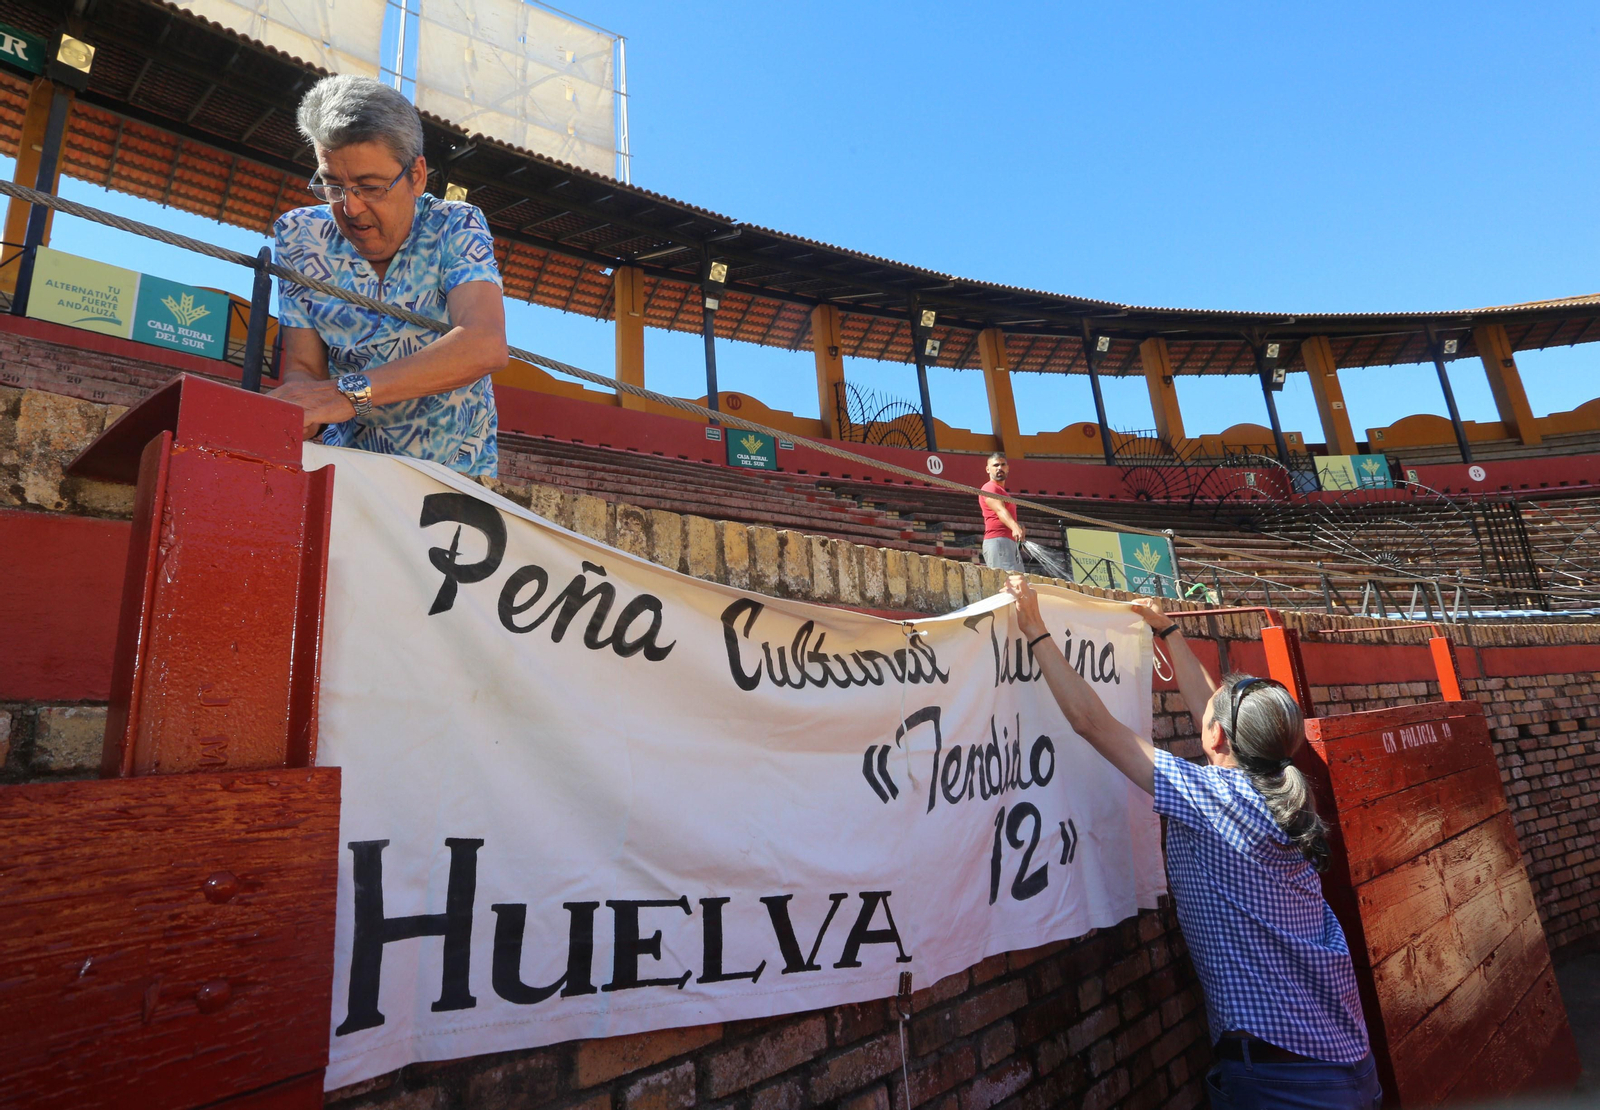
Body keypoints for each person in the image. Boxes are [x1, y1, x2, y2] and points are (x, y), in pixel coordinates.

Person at [1005, 576, 1381, 1110]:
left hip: (1284, 1078)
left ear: (1217, 737)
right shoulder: (1278, 790)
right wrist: (1168, 632)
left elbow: (1093, 724)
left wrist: (1036, 630)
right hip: (1343, 1062)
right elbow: (1214, 712)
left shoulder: (1214, 797)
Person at [269, 74, 509, 477]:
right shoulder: (299, 236)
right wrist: (302, 409)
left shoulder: (455, 224)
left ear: (417, 176)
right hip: (350, 468)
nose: (351, 208)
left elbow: (484, 343)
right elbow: (304, 368)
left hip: (456, 475)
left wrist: (347, 395)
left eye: (370, 187)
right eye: (333, 186)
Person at [979, 453, 1026, 571]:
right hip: (998, 541)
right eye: (995, 465)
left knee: (1018, 580)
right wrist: (1014, 527)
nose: (1000, 468)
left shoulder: (1003, 492)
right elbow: (1000, 510)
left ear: (1007, 468)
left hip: (1008, 542)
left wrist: (1018, 527)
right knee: (1007, 581)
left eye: (1003, 464)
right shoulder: (989, 487)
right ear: (987, 469)